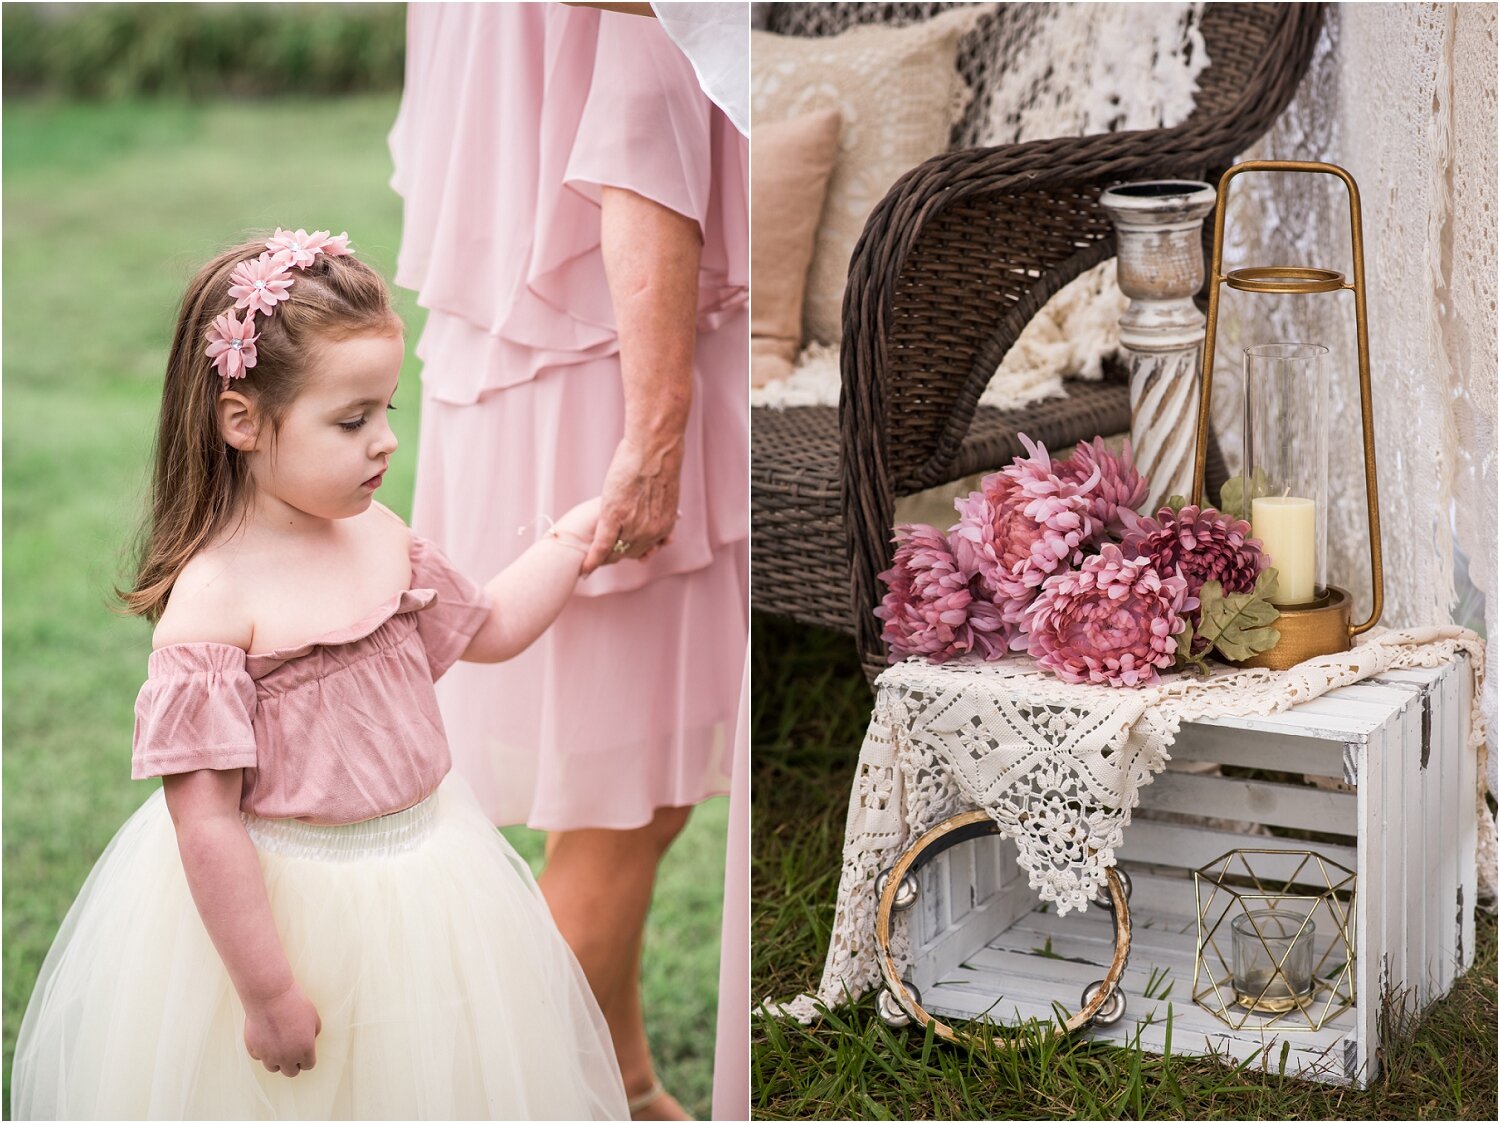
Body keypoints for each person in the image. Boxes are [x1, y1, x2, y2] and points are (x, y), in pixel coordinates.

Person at [10, 229, 630, 1120]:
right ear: (243, 422)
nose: (383, 442)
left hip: (429, 877)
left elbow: (488, 626)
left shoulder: (379, 536)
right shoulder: (217, 602)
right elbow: (206, 821)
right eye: (352, 420)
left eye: (387, 411)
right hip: (289, 910)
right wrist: (267, 993)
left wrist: (571, 543)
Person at [389, 6, 748, 1118]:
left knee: (611, 802)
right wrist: (654, 433)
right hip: (609, 363)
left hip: (524, 353)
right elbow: (641, 118)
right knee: (621, 814)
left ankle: (627, 1085)